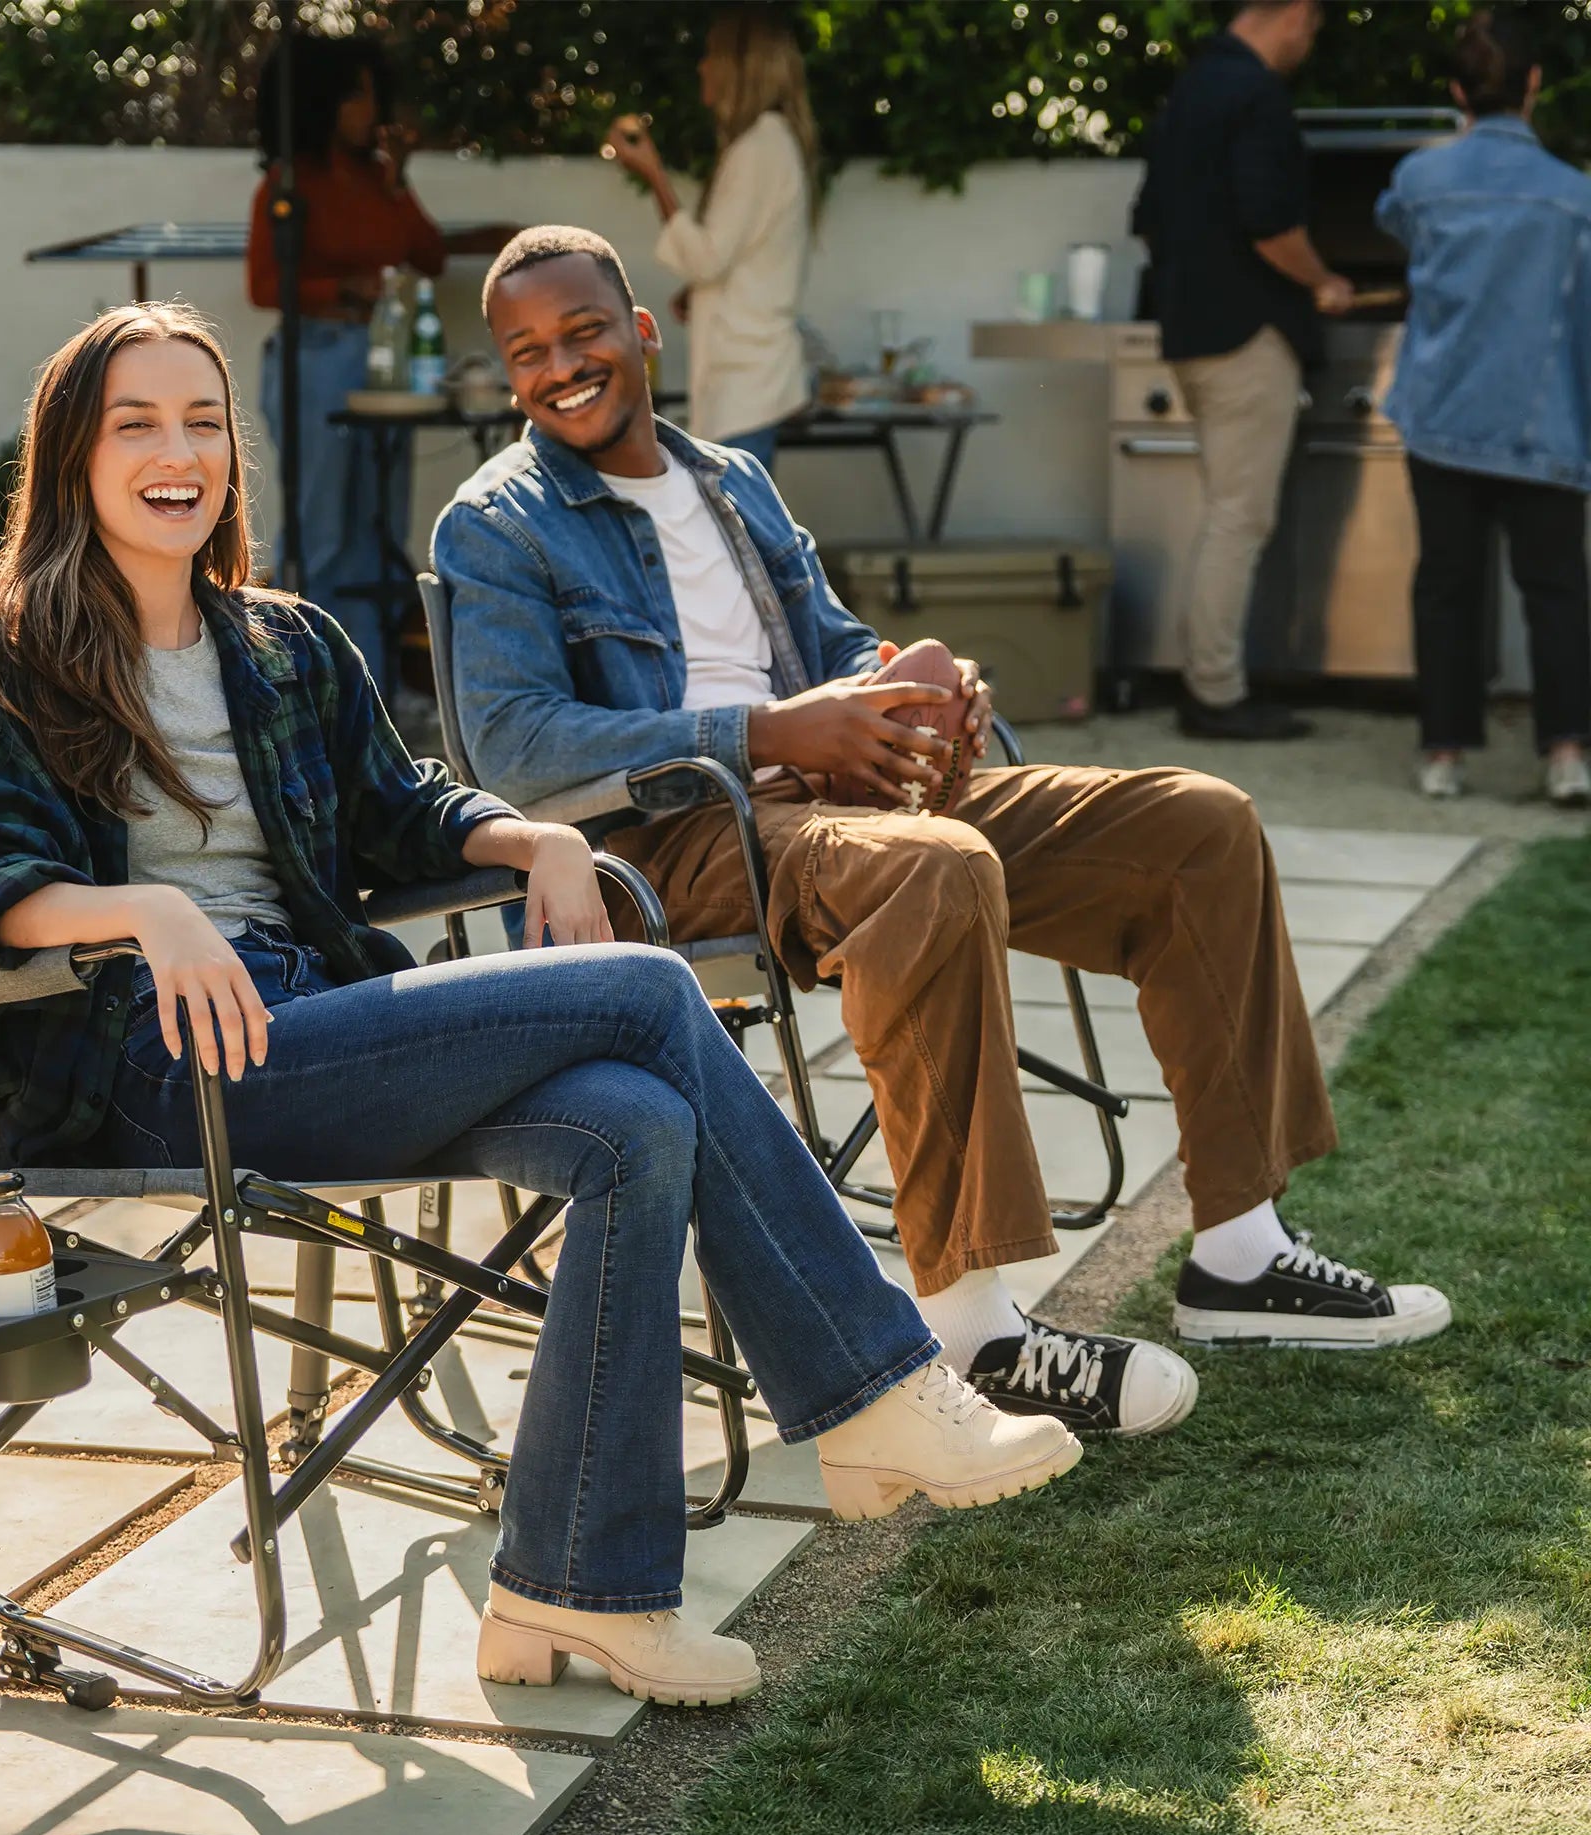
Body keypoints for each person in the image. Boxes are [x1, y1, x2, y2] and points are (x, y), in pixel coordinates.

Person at [0, 302, 1080, 1709]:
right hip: (144, 1056)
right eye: (136, 422)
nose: (178, 450)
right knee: (644, 995)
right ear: (71, 454)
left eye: (203, 421)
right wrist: (141, 911)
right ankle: (874, 1391)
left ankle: (571, 1592)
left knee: (632, 1123)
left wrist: (538, 838)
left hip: (303, 1027)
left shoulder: (281, 644)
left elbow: (407, 807)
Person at [434, 227, 1455, 1444]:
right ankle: (976, 1333)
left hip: (837, 802)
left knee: (1198, 823)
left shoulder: (730, 483)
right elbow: (514, 749)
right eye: (528, 352)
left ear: (643, 331)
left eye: (584, 331)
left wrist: (923, 688)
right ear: (508, 376)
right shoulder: (495, 524)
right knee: (936, 869)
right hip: (669, 846)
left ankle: (1238, 1250)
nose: (561, 365)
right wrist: (770, 728)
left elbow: (830, 651)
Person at [245, 36, 511, 695]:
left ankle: (375, 699)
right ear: (324, 102)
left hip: (388, 362)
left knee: (380, 535)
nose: (373, 107)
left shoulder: (377, 175)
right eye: (359, 93)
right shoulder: (288, 184)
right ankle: (316, 694)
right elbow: (262, 284)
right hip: (321, 360)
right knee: (326, 537)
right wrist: (343, 288)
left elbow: (428, 255)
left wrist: (398, 183)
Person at [1375, 10, 1591, 810]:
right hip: (1549, 420)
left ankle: (1443, 754)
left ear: (1459, 92)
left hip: (1443, 414)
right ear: (1535, 85)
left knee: (1446, 587)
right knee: (1559, 588)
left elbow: (1393, 227)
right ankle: (1567, 754)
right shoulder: (1576, 198)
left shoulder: (1421, 180)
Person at [1132, 0, 1358, 744]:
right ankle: (1217, 693)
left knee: (1226, 511)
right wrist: (1324, 280)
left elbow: (1147, 216)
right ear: (1293, 12)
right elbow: (1271, 223)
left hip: (1193, 332)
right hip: (1246, 336)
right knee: (1240, 516)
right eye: (1314, 26)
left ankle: (1212, 683)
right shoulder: (1255, 94)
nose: (1309, 41)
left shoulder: (1192, 89)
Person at [601, 5, 813, 470]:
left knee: (737, 538)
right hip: (748, 380)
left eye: (710, 56)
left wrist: (653, 173)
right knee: (735, 533)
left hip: (746, 384)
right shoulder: (769, 143)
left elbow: (706, 258)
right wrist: (700, 293)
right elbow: (738, 255)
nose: (702, 67)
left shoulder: (760, 145)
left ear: (739, 68)